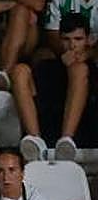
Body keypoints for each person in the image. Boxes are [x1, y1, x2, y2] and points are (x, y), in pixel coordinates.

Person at [13, 15, 98, 163]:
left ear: (88, 40)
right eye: (66, 39)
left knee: (78, 69)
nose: (72, 45)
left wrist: (87, 56)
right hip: (46, 124)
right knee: (20, 71)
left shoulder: (92, 68)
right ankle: (36, 141)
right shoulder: (47, 66)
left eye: (78, 39)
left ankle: (66, 139)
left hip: (83, 131)